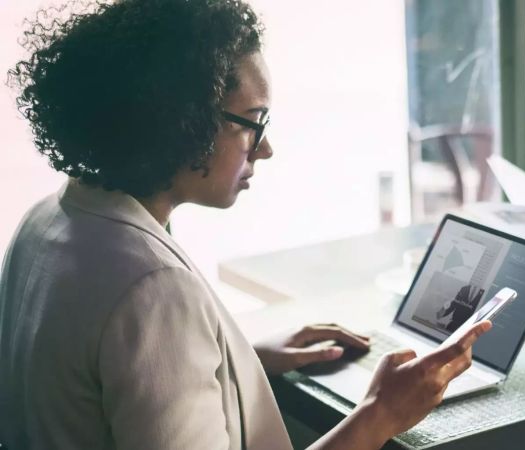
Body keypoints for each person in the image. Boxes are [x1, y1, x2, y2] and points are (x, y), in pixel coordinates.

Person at [0, 1, 492, 449]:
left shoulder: (48, 220)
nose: (265, 147)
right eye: (251, 121)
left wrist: (234, 360)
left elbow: (92, 378)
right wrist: (381, 414)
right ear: (180, 121)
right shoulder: (153, 289)